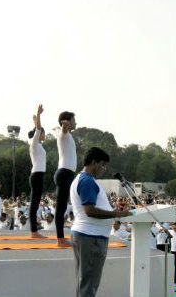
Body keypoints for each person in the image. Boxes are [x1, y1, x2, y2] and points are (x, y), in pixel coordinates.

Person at [70, 147, 132, 297]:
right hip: (90, 237)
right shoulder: (86, 181)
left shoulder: (86, 179)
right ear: (93, 162)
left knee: (87, 282)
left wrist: (114, 210)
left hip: (89, 236)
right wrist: (116, 213)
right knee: (89, 284)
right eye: (103, 164)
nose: (104, 169)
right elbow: (90, 211)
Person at [55, 111, 77, 247]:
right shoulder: (63, 134)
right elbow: (63, 130)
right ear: (66, 122)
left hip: (67, 174)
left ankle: (61, 239)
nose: (76, 122)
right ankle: (60, 240)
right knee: (61, 207)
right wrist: (64, 125)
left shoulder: (69, 136)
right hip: (64, 173)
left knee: (62, 206)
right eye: (73, 120)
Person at [28, 104, 47, 238]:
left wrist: (35, 120)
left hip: (38, 174)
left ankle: (34, 231)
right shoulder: (34, 143)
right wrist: (39, 115)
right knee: (34, 204)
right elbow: (38, 129)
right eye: (42, 133)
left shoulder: (37, 144)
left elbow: (37, 128)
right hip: (36, 175)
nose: (44, 134)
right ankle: (34, 231)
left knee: (35, 203)